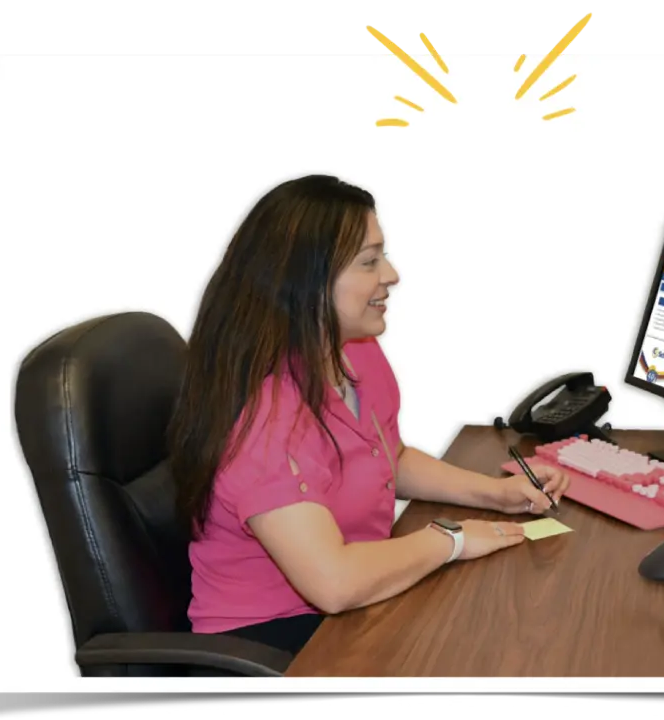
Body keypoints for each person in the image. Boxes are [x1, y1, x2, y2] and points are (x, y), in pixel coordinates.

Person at [167, 174, 569, 656]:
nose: (391, 275)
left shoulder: (354, 351)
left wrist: (495, 493)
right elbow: (332, 583)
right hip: (272, 641)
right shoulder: (263, 419)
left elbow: (387, 457)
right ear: (305, 281)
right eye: (368, 261)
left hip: (354, 600)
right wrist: (452, 540)